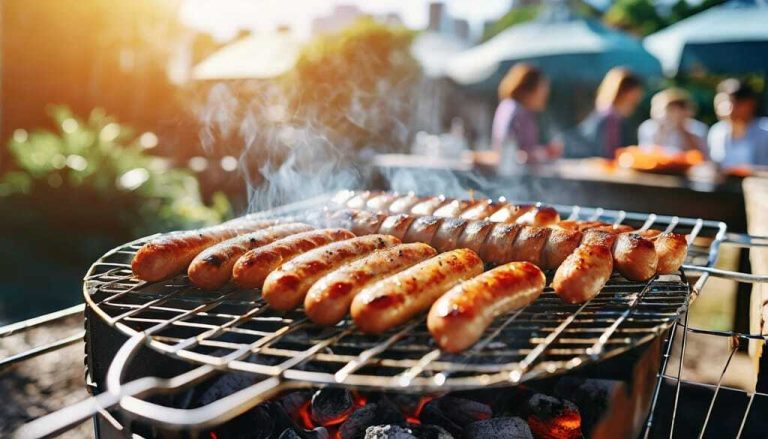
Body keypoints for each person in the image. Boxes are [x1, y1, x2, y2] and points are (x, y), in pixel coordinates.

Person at [491, 63, 560, 164]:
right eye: (541, 89)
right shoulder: (514, 110)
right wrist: (544, 153)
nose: (545, 95)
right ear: (528, 89)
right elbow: (508, 151)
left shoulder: (521, 111)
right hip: (512, 175)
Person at [577, 67, 644, 158]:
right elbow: (610, 154)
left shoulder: (607, 114)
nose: (639, 96)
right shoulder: (611, 118)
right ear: (625, 92)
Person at [708, 79, 768, 168]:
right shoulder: (717, 132)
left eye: (729, 102)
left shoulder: (765, 131)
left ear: (749, 104)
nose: (720, 107)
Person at [638, 88, 708, 155]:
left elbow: (699, 155)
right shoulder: (647, 127)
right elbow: (647, 154)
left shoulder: (697, 127)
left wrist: (682, 130)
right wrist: (662, 131)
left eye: (672, 110)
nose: (662, 114)